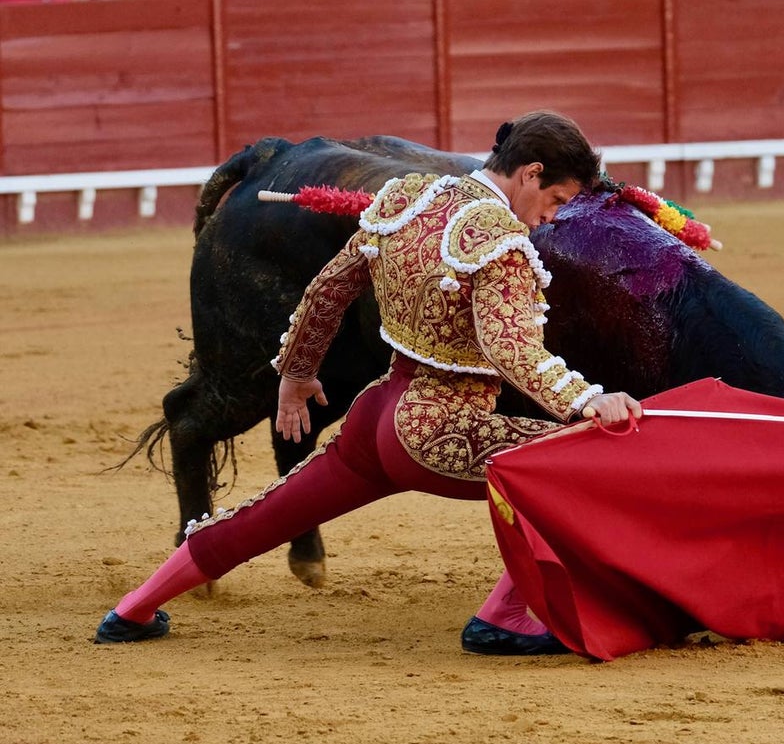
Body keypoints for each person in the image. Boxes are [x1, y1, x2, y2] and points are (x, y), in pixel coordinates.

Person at [94, 111, 643, 655]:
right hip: (440, 430)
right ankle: (502, 618)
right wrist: (588, 399)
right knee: (577, 467)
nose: (550, 218)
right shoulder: (500, 242)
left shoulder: (408, 197)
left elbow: (328, 288)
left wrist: (297, 374)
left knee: (260, 519)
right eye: (557, 201)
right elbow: (513, 349)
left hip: (376, 415)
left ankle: (133, 610)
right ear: (530, 173)